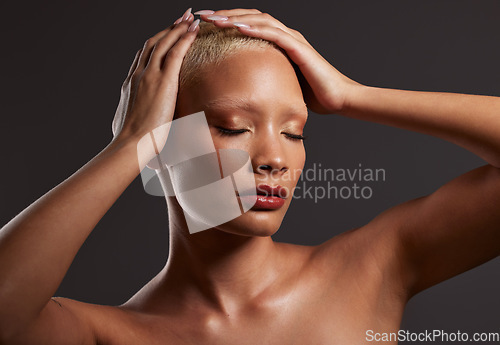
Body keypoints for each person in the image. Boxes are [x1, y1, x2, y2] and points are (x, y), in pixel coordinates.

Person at [0, 7, 499, 345]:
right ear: (160, 147)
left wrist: (352, 95)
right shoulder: (106, 332)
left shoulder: (371, 269)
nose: (274, 159)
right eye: (234, 128)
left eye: (294, 132)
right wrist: (129, 145)